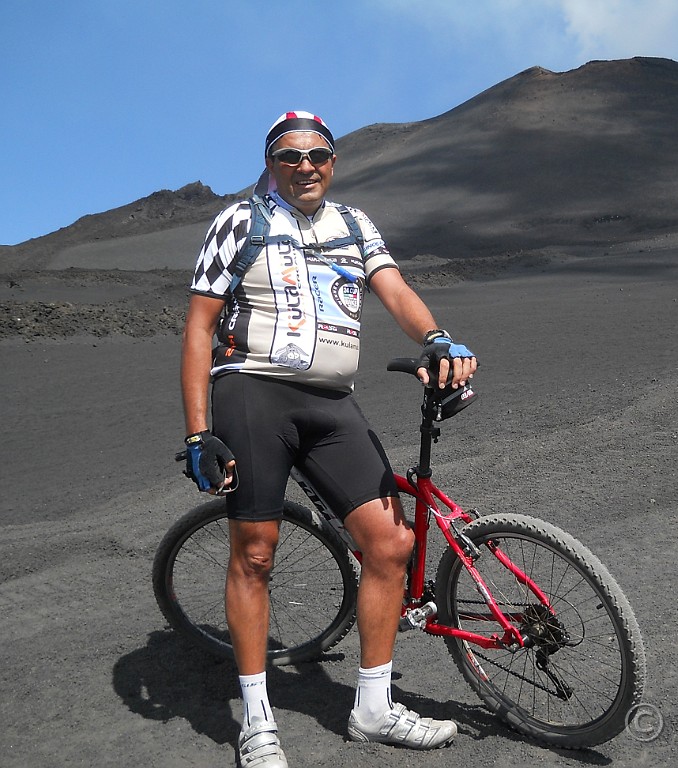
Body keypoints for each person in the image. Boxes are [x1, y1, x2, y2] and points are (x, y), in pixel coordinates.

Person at [180, 111, 477, 766]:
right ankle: (257, 721)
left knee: (391, 542)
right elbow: (199, 327)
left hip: (332, 402)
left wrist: (434, 337)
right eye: (290, 156)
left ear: (334, 162)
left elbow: (394, 290)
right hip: (253, 393)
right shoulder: (239, 222)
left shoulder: (354, 225)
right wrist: (199, 430)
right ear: (270, 165)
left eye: (318, 154)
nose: (305, 166)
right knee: (256, 552)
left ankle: (372, 710)